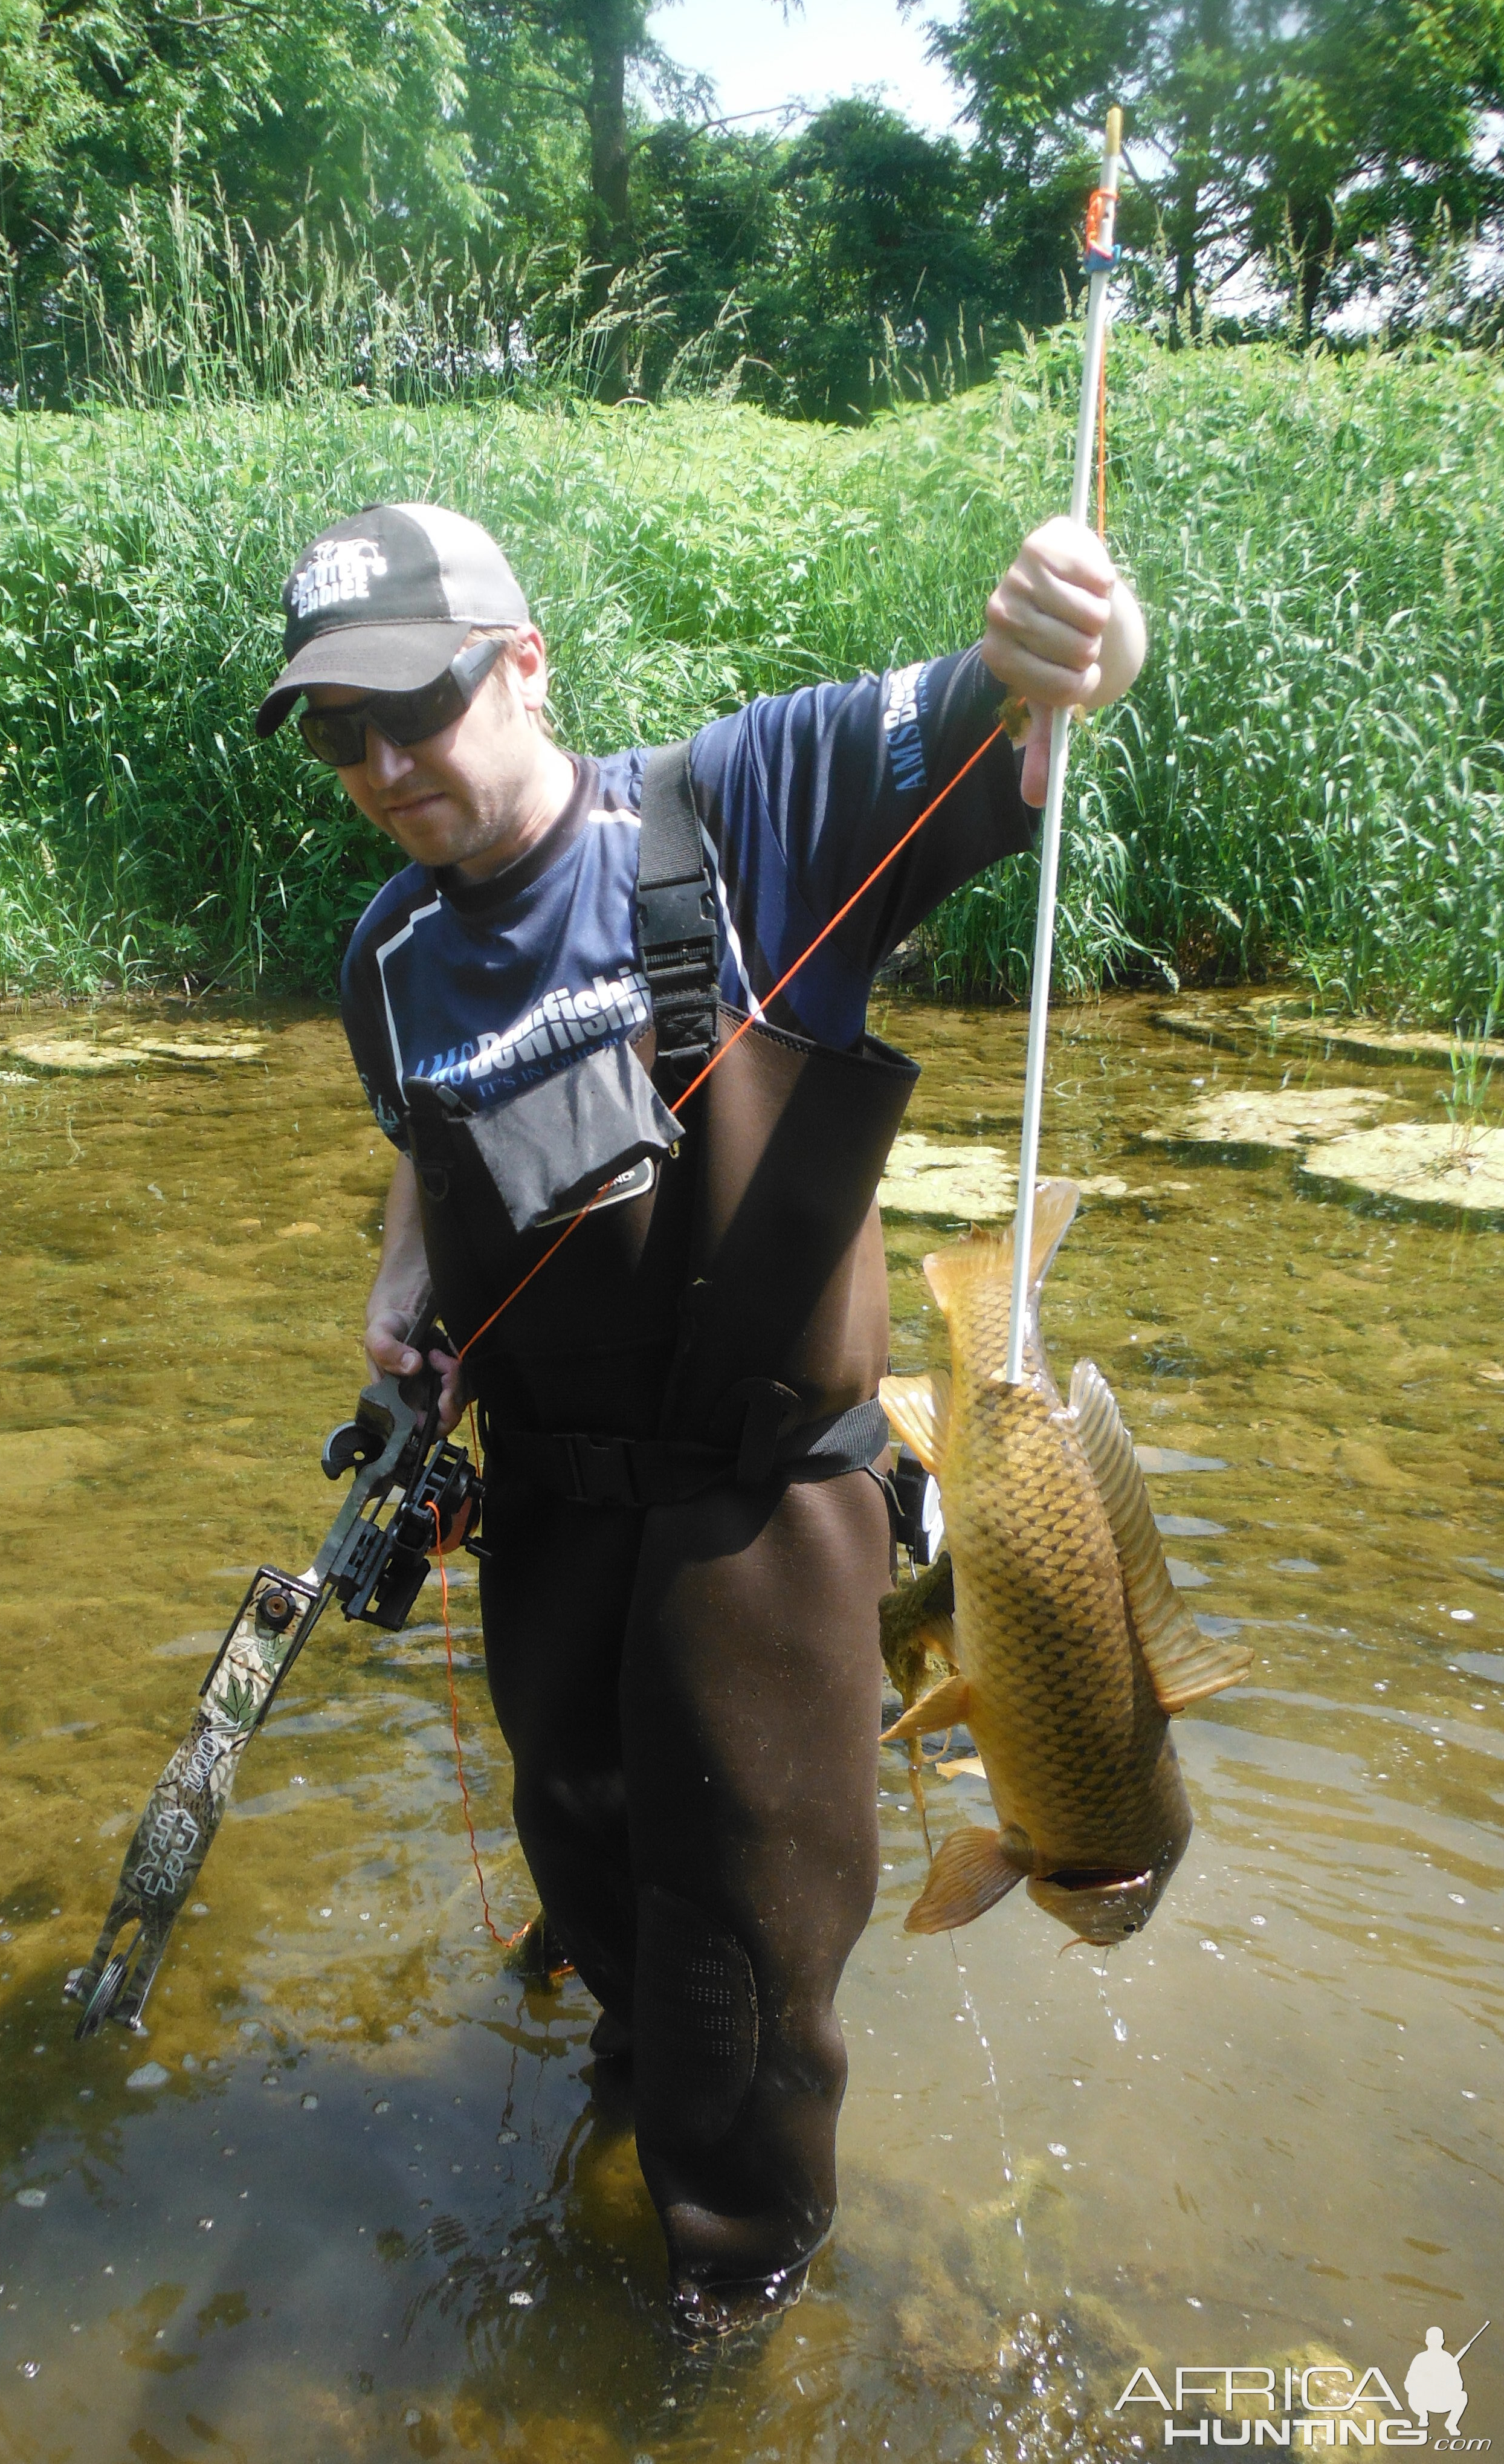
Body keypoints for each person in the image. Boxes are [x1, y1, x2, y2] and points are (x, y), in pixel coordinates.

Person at [253, 499, 1146, 2334]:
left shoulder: (754, 807)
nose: (386, 763)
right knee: (595, 1884)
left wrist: (1078, 638)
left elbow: (1023, 707)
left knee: (742, 1990)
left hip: (768, 1519)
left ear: (524, 663)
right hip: (548, 1525)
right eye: (341, 734)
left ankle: (731, 2331)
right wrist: (402, 1287)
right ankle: (626, 2116)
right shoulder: (386, 960)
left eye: (415, 706)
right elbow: (427, 1158)